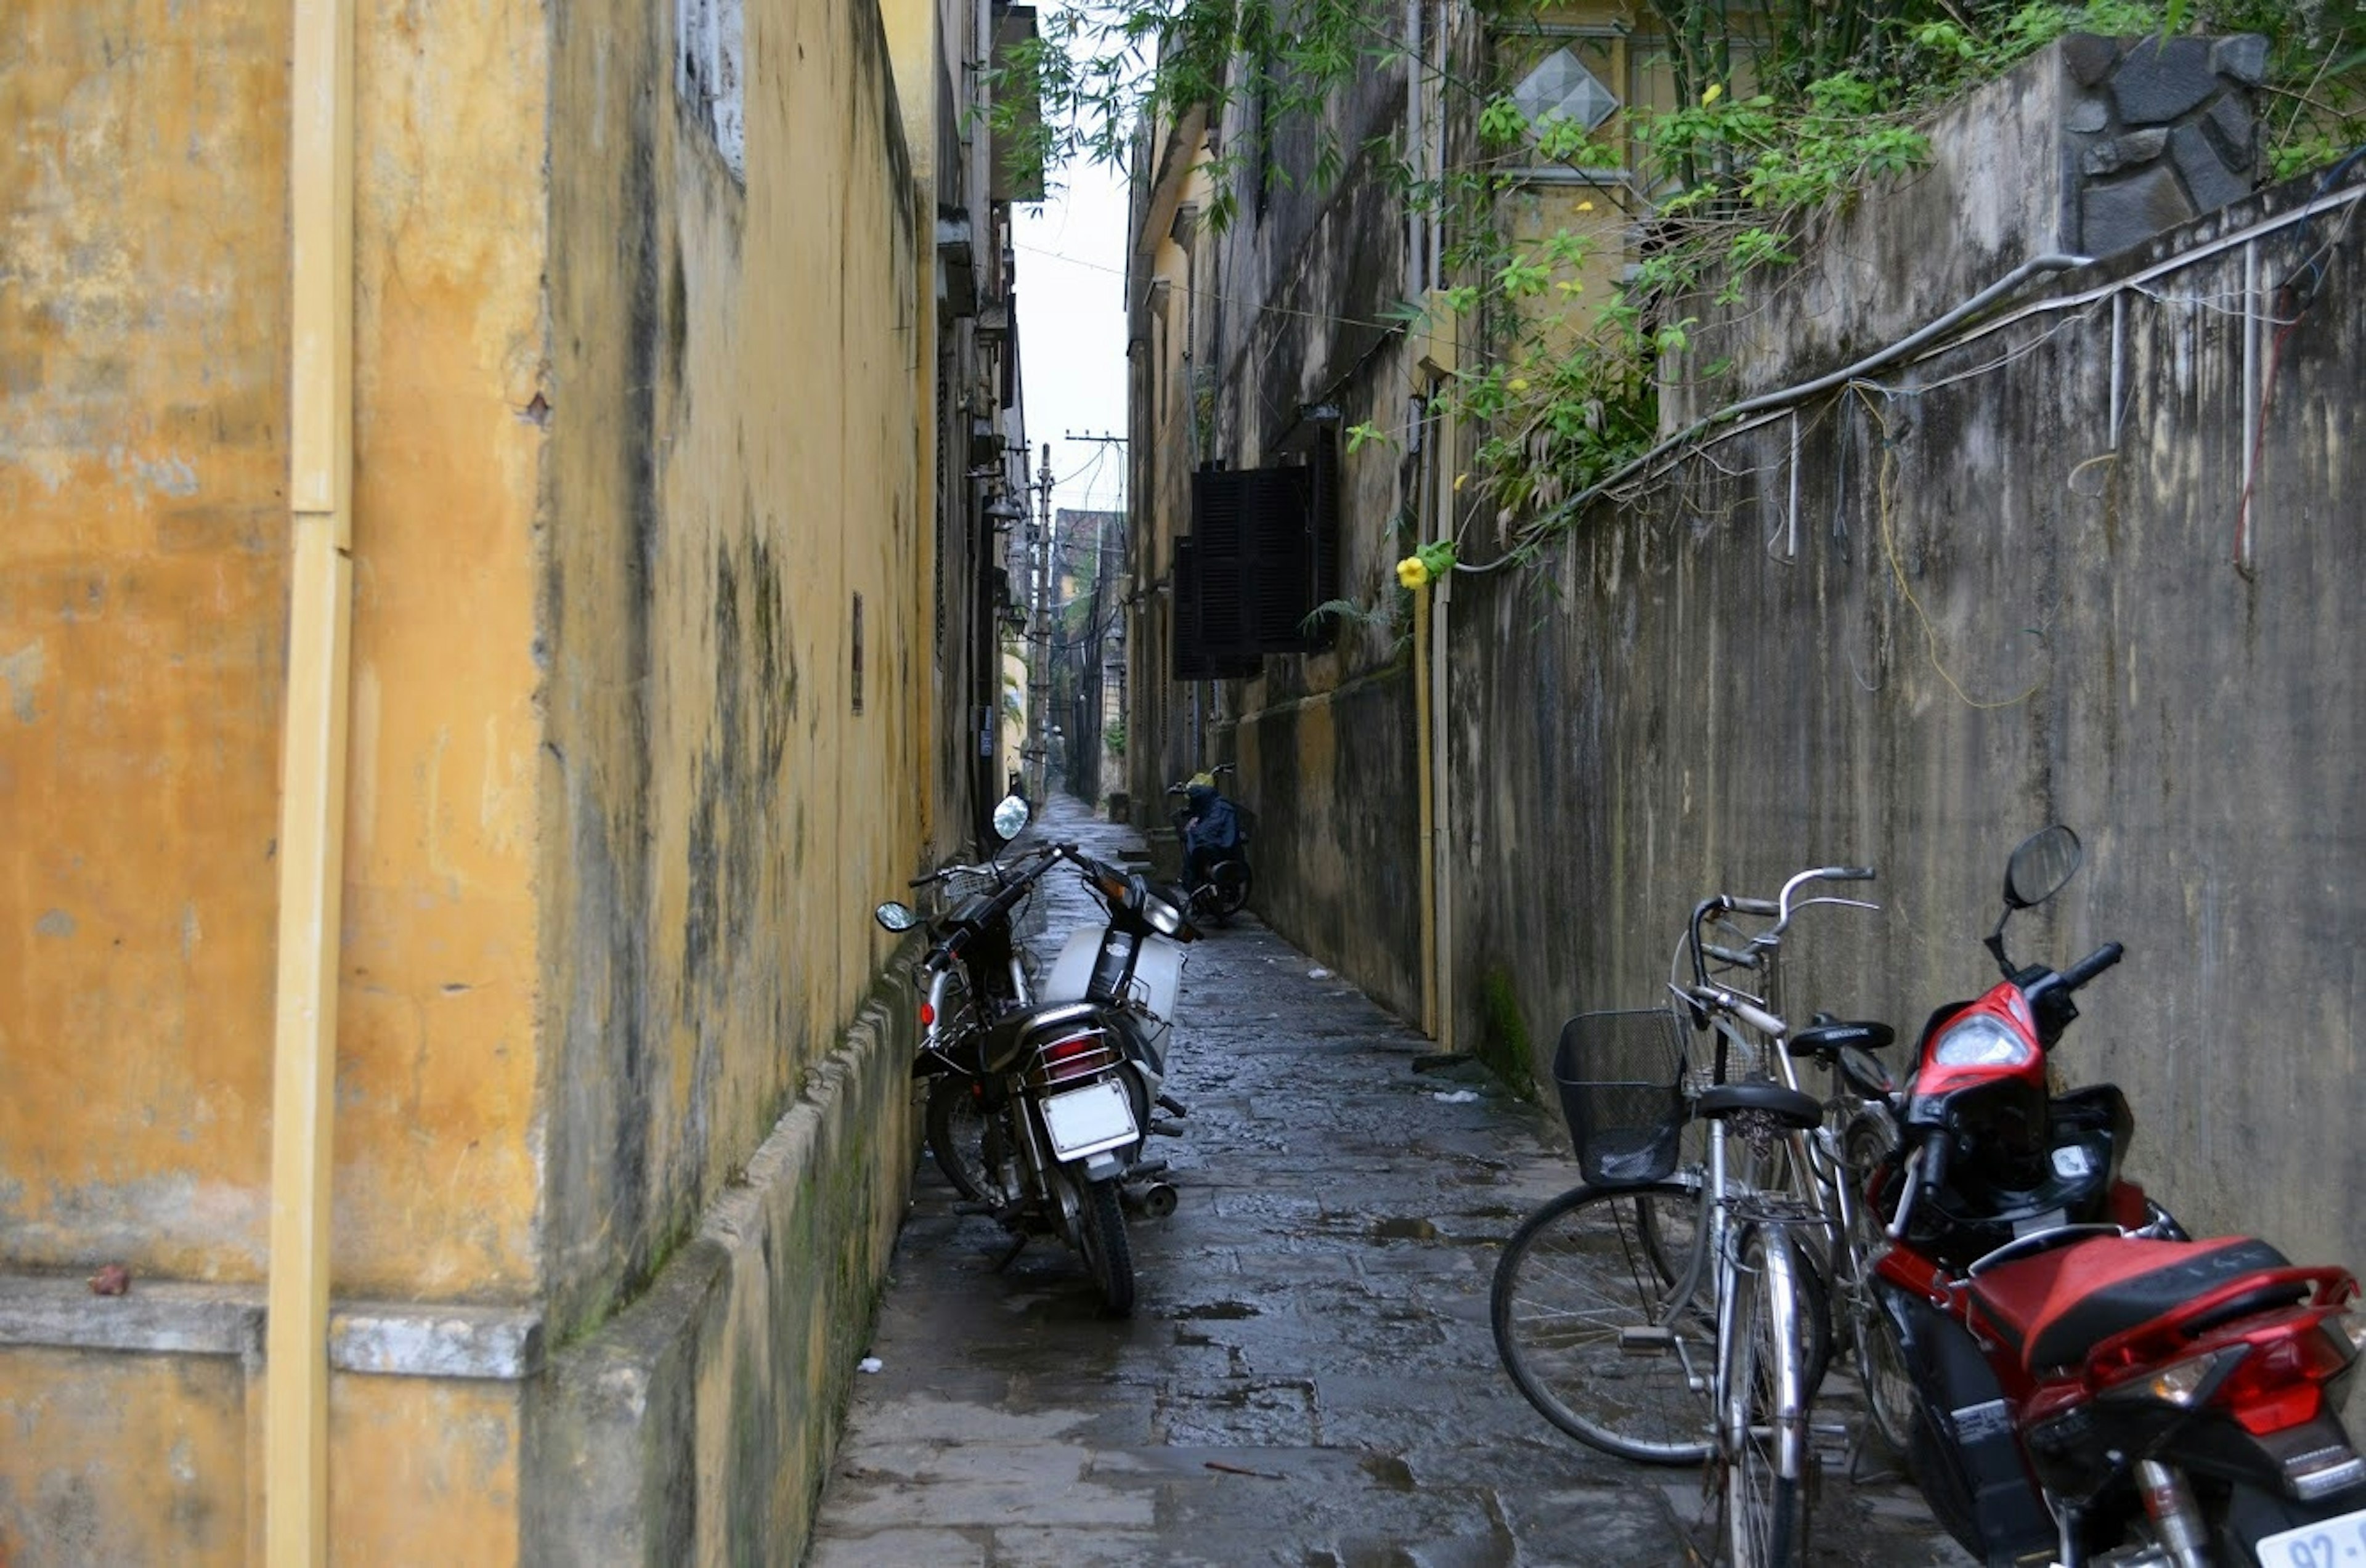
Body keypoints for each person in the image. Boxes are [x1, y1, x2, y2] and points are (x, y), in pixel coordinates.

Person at [1180, 774, 1240, 892]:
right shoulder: (1210, 805)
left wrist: (1195, 831)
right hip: (1215, 843)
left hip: (1221, 848)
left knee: (1199, 848)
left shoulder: (1220, 809)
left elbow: (1209, 832)